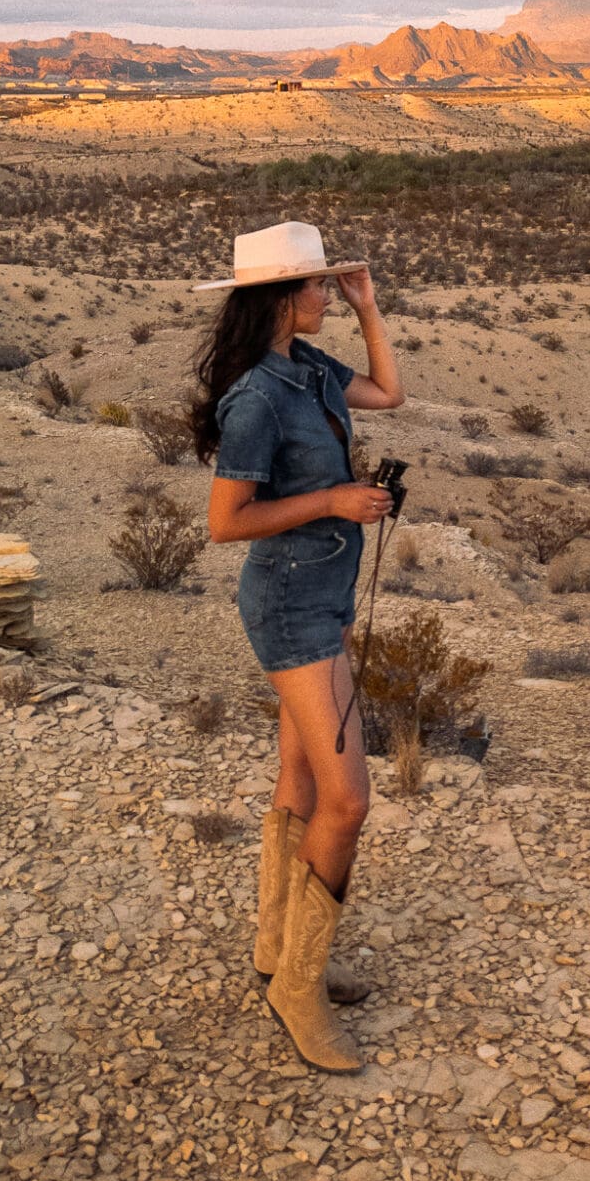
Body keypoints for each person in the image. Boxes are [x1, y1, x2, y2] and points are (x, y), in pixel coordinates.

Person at [191, 221, 404, 1073]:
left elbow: (387, 395)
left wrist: (369, 307)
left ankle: (280, 951)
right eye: (319, 287)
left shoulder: (308, 370)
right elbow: (223, 524)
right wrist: (333, 503)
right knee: (347, 802)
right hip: (288, 607)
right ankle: (298, 989)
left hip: (321, 595)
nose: (326, 297)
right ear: (284, 297)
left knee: (302, 779)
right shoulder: (256, 398)